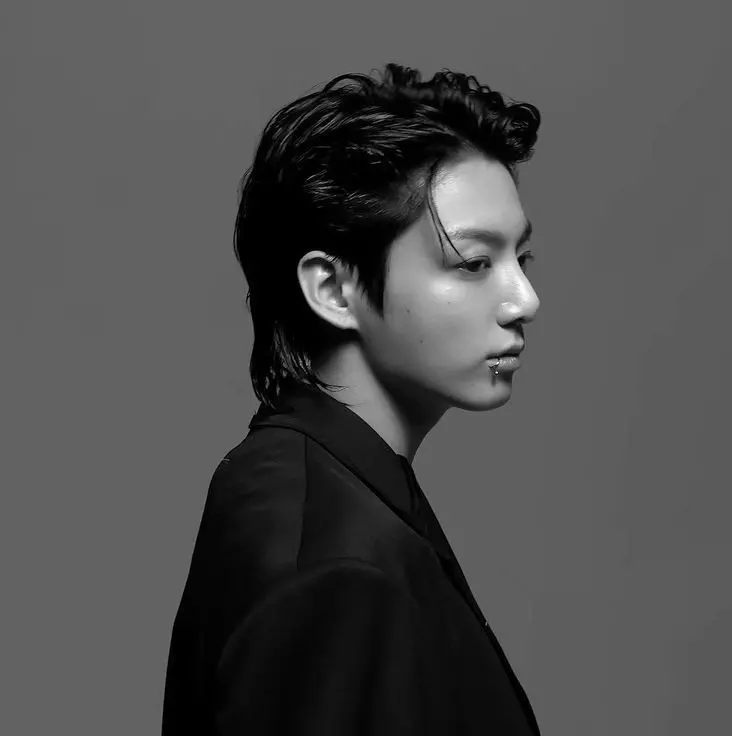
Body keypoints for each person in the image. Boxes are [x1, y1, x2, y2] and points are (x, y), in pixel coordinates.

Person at [162, 63, 542, 734]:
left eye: (522, 260)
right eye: (475, 263)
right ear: (333, 290)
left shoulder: (306, 481)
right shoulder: (337, 568)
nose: (524, 300)